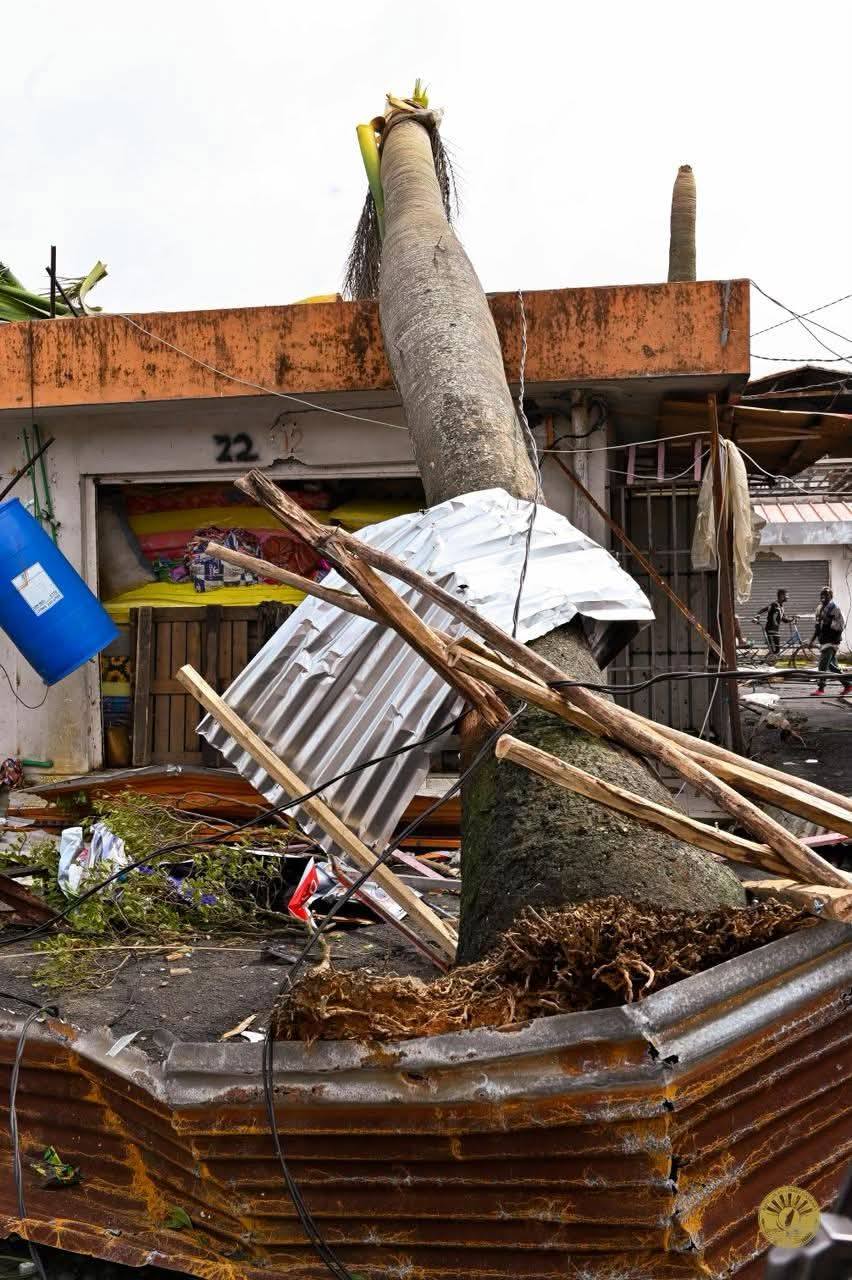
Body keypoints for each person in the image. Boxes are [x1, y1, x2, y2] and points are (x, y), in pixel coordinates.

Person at [809, 587, 851, 696]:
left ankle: (821, 688)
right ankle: (848, 685)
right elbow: (817, 626)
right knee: (832, 667)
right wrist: (812, 640)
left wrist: (829, 621)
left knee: (822, 665)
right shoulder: (819, 609)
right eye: (822, 595)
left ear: (831, 596)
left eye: (826, 595)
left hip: (832, 642)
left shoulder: (835, 608)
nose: (823, 597)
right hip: (823, 640)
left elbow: (841, 625)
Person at [754, 588, 790, 656]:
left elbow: (784, 620)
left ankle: (766, 661)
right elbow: (762, 610)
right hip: (770, 630)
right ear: (782, 596)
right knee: (775, 650)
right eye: (786, 595)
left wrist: (792, 619)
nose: (788, 597)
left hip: (775, 631)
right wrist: (756, 617)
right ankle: (764, 661)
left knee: (775, 651)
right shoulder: (774, 605)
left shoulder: (781, 607)